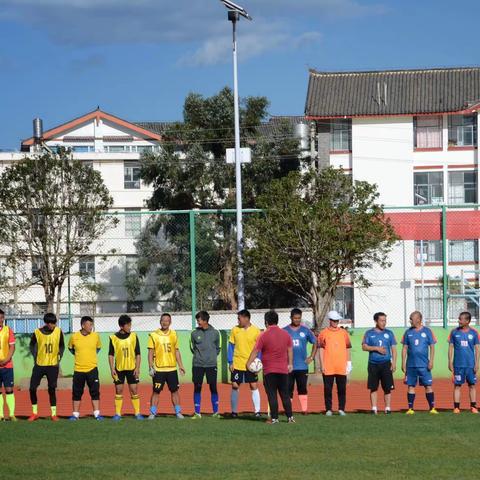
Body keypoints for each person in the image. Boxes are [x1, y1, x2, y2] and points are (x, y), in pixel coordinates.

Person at [247, 310, 294, 424]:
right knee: (285, 395)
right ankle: (290, 418)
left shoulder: (263, 335)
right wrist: (290, 364)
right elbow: (290, 350)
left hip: (269, 370)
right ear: (277, 321)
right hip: (283, 370)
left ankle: (274, 418)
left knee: (272, 394)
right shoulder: (286, 334)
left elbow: (255, 351)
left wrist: (248, 363)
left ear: (266, 322)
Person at [147, 313, 186, 420]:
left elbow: (176, 351)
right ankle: (152, 412)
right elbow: (150, 353)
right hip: (159, 369)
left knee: (174, 391)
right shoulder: (153, 335)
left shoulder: (174, 334)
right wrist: (150, 366)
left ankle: (178, 412)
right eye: (163, 320)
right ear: (160, 321)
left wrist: (181, 366)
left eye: (167, 320)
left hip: (172, 369)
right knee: (156, 391)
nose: (165, 322)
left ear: (170, 322)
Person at [28, 312, 65, 421]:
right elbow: (31, 345)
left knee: (52, 389)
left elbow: (61, 345)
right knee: (32, 388)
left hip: (53, 365)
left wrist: (59, 356)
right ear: (47, 323)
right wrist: (35, 357)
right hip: (39, 365)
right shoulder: (37, 332)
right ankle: (34, 413)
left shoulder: (58, 331)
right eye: (52, 323)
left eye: (54, 323)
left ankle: (53, 414)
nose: (53, 325)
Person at [401, 310, 438, 414]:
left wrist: (431, 361)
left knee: (428, 386)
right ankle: (410, 409)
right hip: (411, 365)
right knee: (411, 386)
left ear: (418, 319)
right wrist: (403, 363)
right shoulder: (408, 332)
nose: (410, 321)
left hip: (424, 365)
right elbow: (404, 348)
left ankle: (432, 408)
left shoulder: (427, 331)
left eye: (411, 319)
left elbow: (432, 346)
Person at [108, 314, 143, 420]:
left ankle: (137, 413)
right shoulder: (113, 338)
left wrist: (137, 368)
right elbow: (110, 354)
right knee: (118, 390)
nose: (130, 327)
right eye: (128, 325)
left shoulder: (134, 336)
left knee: (134, 390)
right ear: (121, 326)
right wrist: (112, 369)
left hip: (132, 368)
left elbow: (138, 354)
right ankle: (118, 414)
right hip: (119, 369)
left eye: (130, 325)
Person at [68, 316, 103, 420]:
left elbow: (98, 348)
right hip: (78, 370)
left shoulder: (95, 336)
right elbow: (71, 349)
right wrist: (79, 356)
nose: (91, 327)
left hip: (92, 369)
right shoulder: (74, 337)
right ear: (83, 325)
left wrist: (90, 357)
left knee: (95, 392)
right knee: (77, 392)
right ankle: (75, 414)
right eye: (89, 325)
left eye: (92, 325)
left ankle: (97, 414)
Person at [228, 309, 261, 418]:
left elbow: (259, 348)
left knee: (253, 385)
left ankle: (257, 411)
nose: (238, 320)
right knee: (235, 385)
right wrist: (230, 362)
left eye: (239, 318)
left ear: (246, 318)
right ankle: (234, 412)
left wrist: (258, 363)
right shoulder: (234, 330)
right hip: (237, 363)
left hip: (251, 364)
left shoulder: (256, 331)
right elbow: (231, 346)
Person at [362, 312, 397, 414]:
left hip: (386, 363)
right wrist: (376, 348)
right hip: (373, 364)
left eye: (385, 320)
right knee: (373, 387)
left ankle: (387, 408)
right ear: (376, 321)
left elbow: (394, 349)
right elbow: (364, 347)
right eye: (381, 320)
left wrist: (394, 363)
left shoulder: (389, 333)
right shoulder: (369, 333)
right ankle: (374, 408)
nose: (384, 323)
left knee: (387, 387)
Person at [318, 310, 352, 416]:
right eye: (334, 320)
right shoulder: (324, 333)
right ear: (330, 321)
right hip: (328, 366)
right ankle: (328, 409)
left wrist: (349, 363)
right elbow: (321, 349)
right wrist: (322, 365)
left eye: (337, 320)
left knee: (342, 388)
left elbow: (348, 347)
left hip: (341, 366)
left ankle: (341, 409)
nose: (336, 322)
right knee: (328, 389)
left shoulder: (343, 333)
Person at [283, 308, 317, 415]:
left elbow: (315, 343)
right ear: (291, 318)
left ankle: (304, 409)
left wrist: (311, 357)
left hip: (302, 366)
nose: (297, 320)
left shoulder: (305, 330)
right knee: (288, 389)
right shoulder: (284, 331)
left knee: (302, 388)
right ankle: (289, 409)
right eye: (295, 318)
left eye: (299, 318)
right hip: (289, 366)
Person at [190, 311, 221, 419]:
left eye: (199, 320)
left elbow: (218, 348)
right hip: (197, 365)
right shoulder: (194, 333)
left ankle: (216, 412)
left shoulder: (216, 333)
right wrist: (199, 357)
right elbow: (192, 347)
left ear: (205, 320)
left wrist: (211, 357)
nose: (197, 322)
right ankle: (197, 413)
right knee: (197, 387)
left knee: (213, 387)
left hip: (211, 365)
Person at [448, 311, 480, 414]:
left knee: (472, 385)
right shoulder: (454, 332)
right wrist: (450, 362)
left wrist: (477, 363)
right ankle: (456, 407)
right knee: (457, 386)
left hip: (470, 365)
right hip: (458, 365)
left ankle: (473, 406)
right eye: (459, 318)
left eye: (461, 319)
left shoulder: (474, 333)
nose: (459, 320)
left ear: (467, 321)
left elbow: (477, 349)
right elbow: (451, 348)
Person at [0, 309, 16, 421]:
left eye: (2, 317)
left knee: (9, 389)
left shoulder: (8, 330)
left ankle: (11, 414)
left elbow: (12, 347)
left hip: (7, 365)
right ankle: (0, 415)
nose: (0, 319)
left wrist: (6, 359)